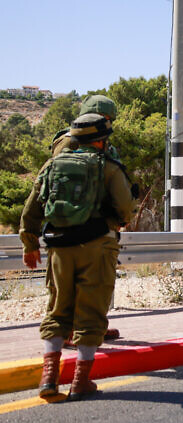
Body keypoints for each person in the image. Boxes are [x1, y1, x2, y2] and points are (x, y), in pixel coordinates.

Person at [20, 113, 136, 400]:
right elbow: (125, 208)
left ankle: (49, 378)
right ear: (101, 140)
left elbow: (31, 210)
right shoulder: (108, 167)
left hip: (58, 247)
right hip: (97, 245)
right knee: (91, 310)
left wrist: (29, 243)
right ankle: (80, 380)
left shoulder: (51, 165)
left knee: (58, 308)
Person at [51, 94, 134, 345]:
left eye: (109, 120)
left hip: (100, 224)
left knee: (98, 283)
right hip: (71, 223)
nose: (106, 124)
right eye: (103, 119)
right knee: (67, 286)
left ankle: (94, 325)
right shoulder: (67, 143)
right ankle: (70, 331)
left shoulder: (105, 143)